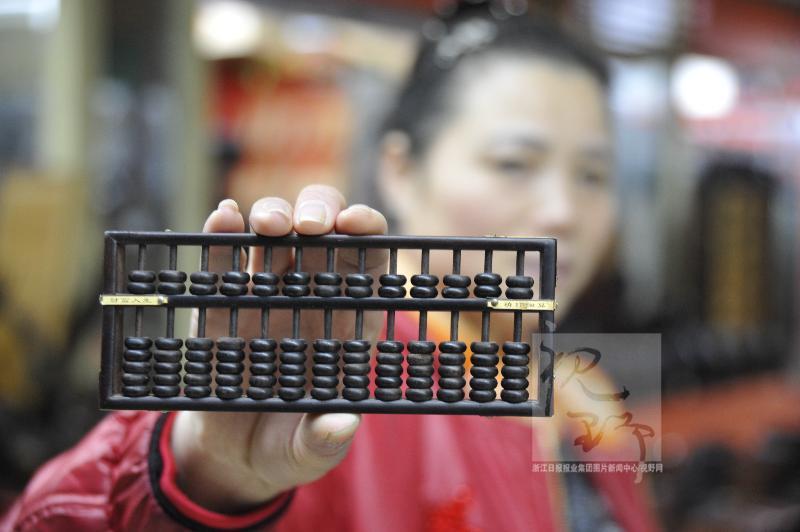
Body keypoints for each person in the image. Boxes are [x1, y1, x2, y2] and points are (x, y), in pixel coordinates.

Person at [1, 2, 659, 530]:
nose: (563, 210)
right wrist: (202, 474)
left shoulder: (585, 391)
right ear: (400, 170)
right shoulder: (335, 372)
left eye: (593, 174)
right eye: (513, 163)